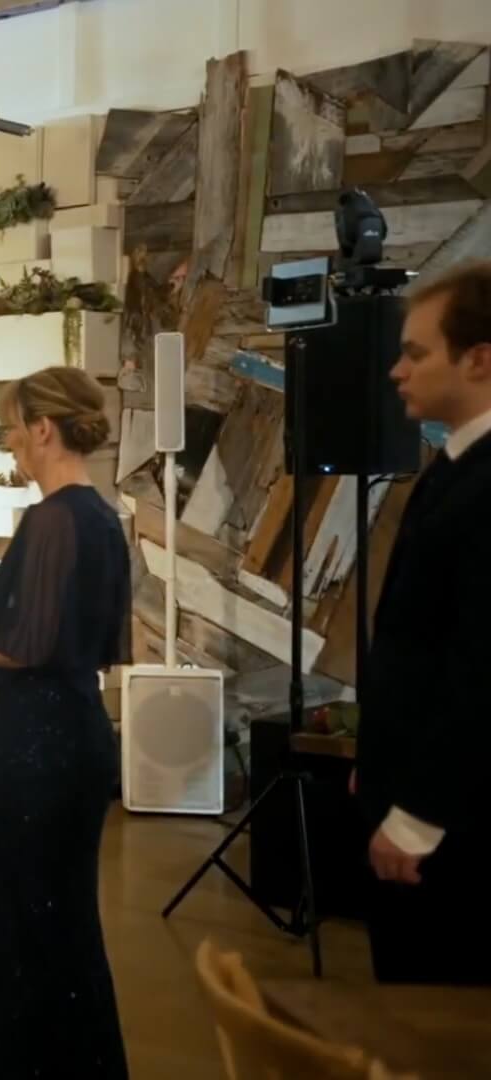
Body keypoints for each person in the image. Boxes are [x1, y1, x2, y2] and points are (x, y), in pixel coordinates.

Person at [0, 366, 130, 1079]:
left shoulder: (53, 517)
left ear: (44, 429)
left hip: (39, 751)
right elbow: (78, 635)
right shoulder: (101, 515)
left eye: (15, 426)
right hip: (72, 735)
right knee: (62, 924)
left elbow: (32, 644)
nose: (11, 440)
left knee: (30, 925)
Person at [358, 260, 491, 985]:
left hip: (455, 830)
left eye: (415, 352)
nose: (395, 372)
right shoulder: (454, 464)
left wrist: (418, 814)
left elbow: (480, 669)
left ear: (479, 359)